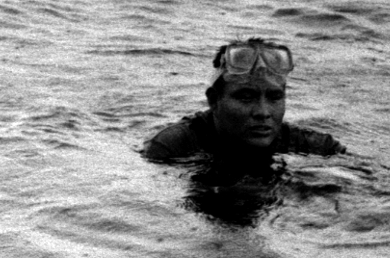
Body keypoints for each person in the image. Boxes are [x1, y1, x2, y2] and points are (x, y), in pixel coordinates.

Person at [143, 38, 344, 164]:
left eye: (274, 97)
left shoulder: (318, 147)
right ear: (214, 100)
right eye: (246, 97)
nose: (263, 112)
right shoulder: (171, 147)